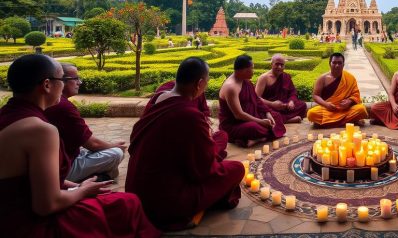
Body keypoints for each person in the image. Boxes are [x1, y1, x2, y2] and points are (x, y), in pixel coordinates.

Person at [0, 54, 159, 238]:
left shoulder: (8, 115)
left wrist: (75, 186)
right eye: (62, 80)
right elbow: (46, 205)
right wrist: (82, 191)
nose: (68, 85)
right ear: (46, 85)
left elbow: (29, 179)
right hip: (26, 224)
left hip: (11, 212)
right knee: (127, 203)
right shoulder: (40, 130)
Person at [126, 57, 244, 231]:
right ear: (200, 83)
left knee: (218, 141)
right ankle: (187, 211)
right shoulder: (188, 114)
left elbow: (135, 143)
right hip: (164, 203)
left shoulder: (159, 98)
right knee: (236, 169)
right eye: (207, 82)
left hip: (135, 190)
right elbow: (204, 170)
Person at [44, 63, 126, 182]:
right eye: (75, 78)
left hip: (61, 159)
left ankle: (103, 174)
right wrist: (114, 145)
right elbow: (92, 144)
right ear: (61, 81)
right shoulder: (62, 106)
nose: (80, 82)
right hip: (62, 169)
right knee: (116, 153)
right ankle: (99, 177)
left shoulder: (52, 101)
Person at [218, 55, 286, 147]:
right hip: (234, 124)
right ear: (244, 70)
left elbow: (256, 99)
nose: (253, 72)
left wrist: (267, 113)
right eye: (252, 69)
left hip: (251, 115)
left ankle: (255, 139)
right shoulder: (231, 87)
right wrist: (261, 122)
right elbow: (238, 115)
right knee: (252, 128)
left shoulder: (245, 80)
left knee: (276, 116)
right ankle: (257, 138)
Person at [307, 53, 368, 128]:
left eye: (339, 63)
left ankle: (326, 123)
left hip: (345, 110)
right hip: (328, 110)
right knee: (311, 114)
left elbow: (356, 94)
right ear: (330, 63)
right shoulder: (322, 78)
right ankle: (349, 122)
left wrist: (349, 101)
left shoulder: (349, 77)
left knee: (361, 109)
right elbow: (315, 95)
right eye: (334, 62)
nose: (337, 65)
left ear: (343, 64)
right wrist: (326, 104)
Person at [255, 54, 308, 123]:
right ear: (271, 64)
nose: (279, 67)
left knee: (303, 105)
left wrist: (291, 101)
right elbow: (256, 98)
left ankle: (282, 119)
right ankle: (288, 120)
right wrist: (272, 104)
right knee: (264, 113)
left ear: (284, 66)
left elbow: (293, 92)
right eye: (277, 64)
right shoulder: (264, 78)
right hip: (270, 106)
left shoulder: (286, 76)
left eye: (282, 65)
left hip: (284, 106)